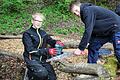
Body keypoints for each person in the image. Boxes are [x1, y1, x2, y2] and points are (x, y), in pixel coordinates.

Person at [22, 13, 64, 80]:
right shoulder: (27, 34)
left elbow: (50, 41)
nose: (39, 23)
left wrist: (57, 42)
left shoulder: (43, 33)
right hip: (32, 59)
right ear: (32, 21)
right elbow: (30, 50)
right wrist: (48, 51)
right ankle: (30, 75)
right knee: (42, 74)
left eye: (40, 21)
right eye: (37, 21)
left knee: (52, 77)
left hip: (43, 60)